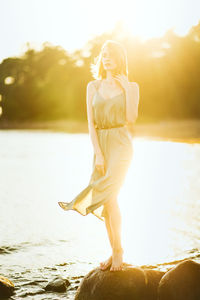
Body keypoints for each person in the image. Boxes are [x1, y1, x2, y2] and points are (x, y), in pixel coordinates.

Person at [58, 39, 140, 272]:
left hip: (122, 144)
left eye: (111, 54)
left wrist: (125, 89)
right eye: (104, 54)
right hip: (101, 145)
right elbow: (90, 124)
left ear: (120, 58)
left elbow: (131, 118)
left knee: (111, 194)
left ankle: (118, 252)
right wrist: (99, 154)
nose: (106, 57)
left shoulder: (132, 86)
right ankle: (114, 250)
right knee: (107, 200)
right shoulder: (92, 87)